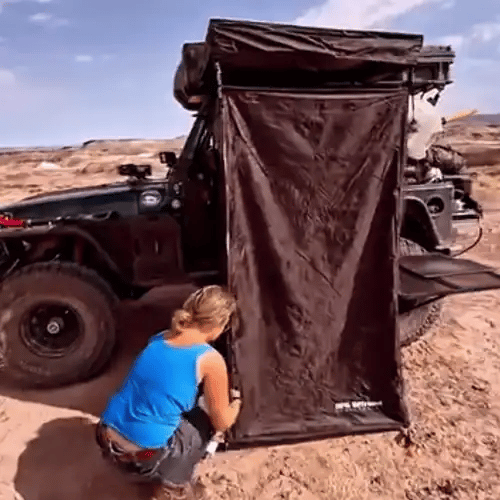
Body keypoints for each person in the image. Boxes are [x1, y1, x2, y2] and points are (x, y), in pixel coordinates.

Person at [95, 285, 242, 500]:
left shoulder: (161, 338)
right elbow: (222, 422)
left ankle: (139, 468)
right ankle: (173, 487)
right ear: (219, 324)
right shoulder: (210, 360)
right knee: (203, 423)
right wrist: (236, 403)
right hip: (144, 456)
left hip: (105, 440)